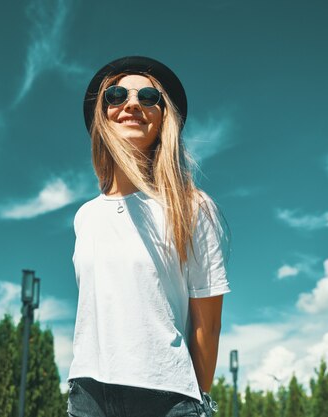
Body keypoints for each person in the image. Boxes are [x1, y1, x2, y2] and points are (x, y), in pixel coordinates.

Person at [67, 56, 230, 417]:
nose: (132, 103)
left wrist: (198, 400)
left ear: (163, 118)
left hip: (168, 397)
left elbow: (209, 322)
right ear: (103, 115)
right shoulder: (85, 216)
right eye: (116, 94)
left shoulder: (192, 206)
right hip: (87, 397)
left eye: (149, 97)